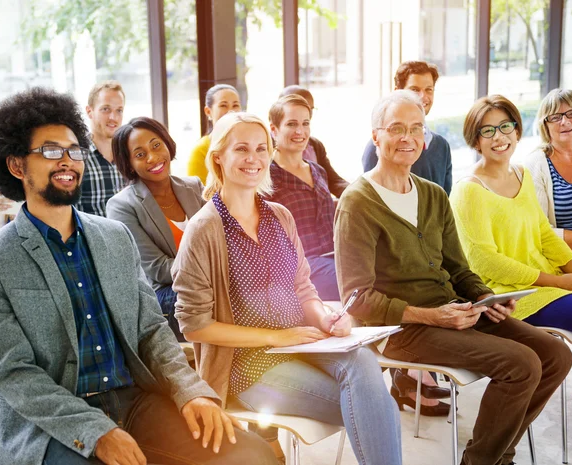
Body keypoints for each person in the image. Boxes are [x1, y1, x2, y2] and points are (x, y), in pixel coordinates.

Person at [0, 87, 276, 465]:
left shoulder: (113, 237)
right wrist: (96, 431)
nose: (67, 160)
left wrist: (191, 391)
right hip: (54, 421)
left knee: (249, 454)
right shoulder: (0, 258)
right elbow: (15, 372)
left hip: (134, 400)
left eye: (74, 150)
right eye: (50, 151)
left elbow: (151, 331)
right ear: (16, 166)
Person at [335, 90, 572, 465]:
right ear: (376, 136)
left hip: (456, 314)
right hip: (400, 330)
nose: (407, 138)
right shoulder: (358, 202)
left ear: (425, 138)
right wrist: (431, 316)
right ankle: (484, 460)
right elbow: (356, 299)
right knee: (522, 364)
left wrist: (486, 298)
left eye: (416, 128)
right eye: (396, 128)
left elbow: (458, 268)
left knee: (556, 354)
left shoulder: (432, 195)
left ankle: (496, 454)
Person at [172, 112, 403, 465]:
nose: (254, 159)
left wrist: (326, 320)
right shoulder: (204, 229)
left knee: (362, 361)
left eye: (262, 149)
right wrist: (275, 338)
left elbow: (303, 289)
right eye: (242, 149)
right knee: (374, 403)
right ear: (218, 157)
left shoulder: (280, 216)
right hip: (246, 366)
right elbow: (194, 326)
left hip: (304, 343)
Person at [450, 94, 572, 337]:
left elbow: (544, 234)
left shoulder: (522, 175)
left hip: (550, 281)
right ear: (475, 141)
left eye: (505, 126)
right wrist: (561, 282)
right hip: (512, 295)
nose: (499, 136)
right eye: (487, 131)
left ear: (517, 132)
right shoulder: (468, 190)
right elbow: (485, 262)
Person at [107, 117, 205, 342]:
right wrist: (210, 270)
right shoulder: (122, 206)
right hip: (166, 294)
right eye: (140, 154)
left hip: (206, 285)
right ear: (129, 163)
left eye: (156, 145)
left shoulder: (194, 186)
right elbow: (157, 269)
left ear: (167, 143)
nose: (153, 157)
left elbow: (222, 241)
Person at [266, 95, 339, 300]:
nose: (300, 131)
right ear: (274, 129)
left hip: (334, 257)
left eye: (305, 123)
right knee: (353, 283)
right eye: (291, 124)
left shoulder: (317, 170)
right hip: (298, 268)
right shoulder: (266, 177)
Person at [525, 88, 572, 271]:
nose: (565, 121)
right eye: (555, 117)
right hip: (568, 258)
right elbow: (538, 232)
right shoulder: (536, 165)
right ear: (545, 125)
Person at [361, 61, 453, 195]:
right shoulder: (380, 147)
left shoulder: (442, 146)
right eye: (415, 90)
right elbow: (371, 196)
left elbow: (444, 199)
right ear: (398, 92)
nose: (423, 97)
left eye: (429, 89)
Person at [279, 85, 349, 197]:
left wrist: (359, 192)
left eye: (309, 110)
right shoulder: (265, 148)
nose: (304, 114)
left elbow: (333, 181)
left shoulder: (315, 146)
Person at [76, 80, 127, 217]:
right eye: (106, 109)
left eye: (119, 110)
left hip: (130, 237)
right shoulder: (75, 158)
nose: (113, 117)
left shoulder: (129, 155)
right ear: (89, 111)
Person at [187, 84, 241, 183]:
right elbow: (196, 194)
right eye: (223, 105)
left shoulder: (250, 144)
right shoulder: (201, 150)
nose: (231, 111)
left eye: (235, 105)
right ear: (208, 111)